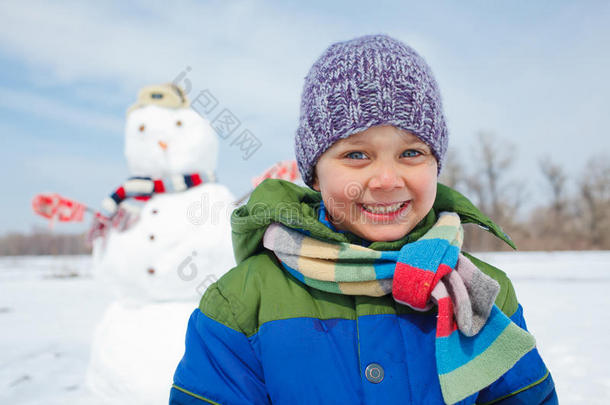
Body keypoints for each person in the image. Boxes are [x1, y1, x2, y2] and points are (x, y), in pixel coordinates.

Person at [170, 34, 557, 405]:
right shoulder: (240, 304)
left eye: (411, 153)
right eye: (356, 155)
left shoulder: (479, 292)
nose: (387, 180)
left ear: (436, 165)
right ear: (315, 174)